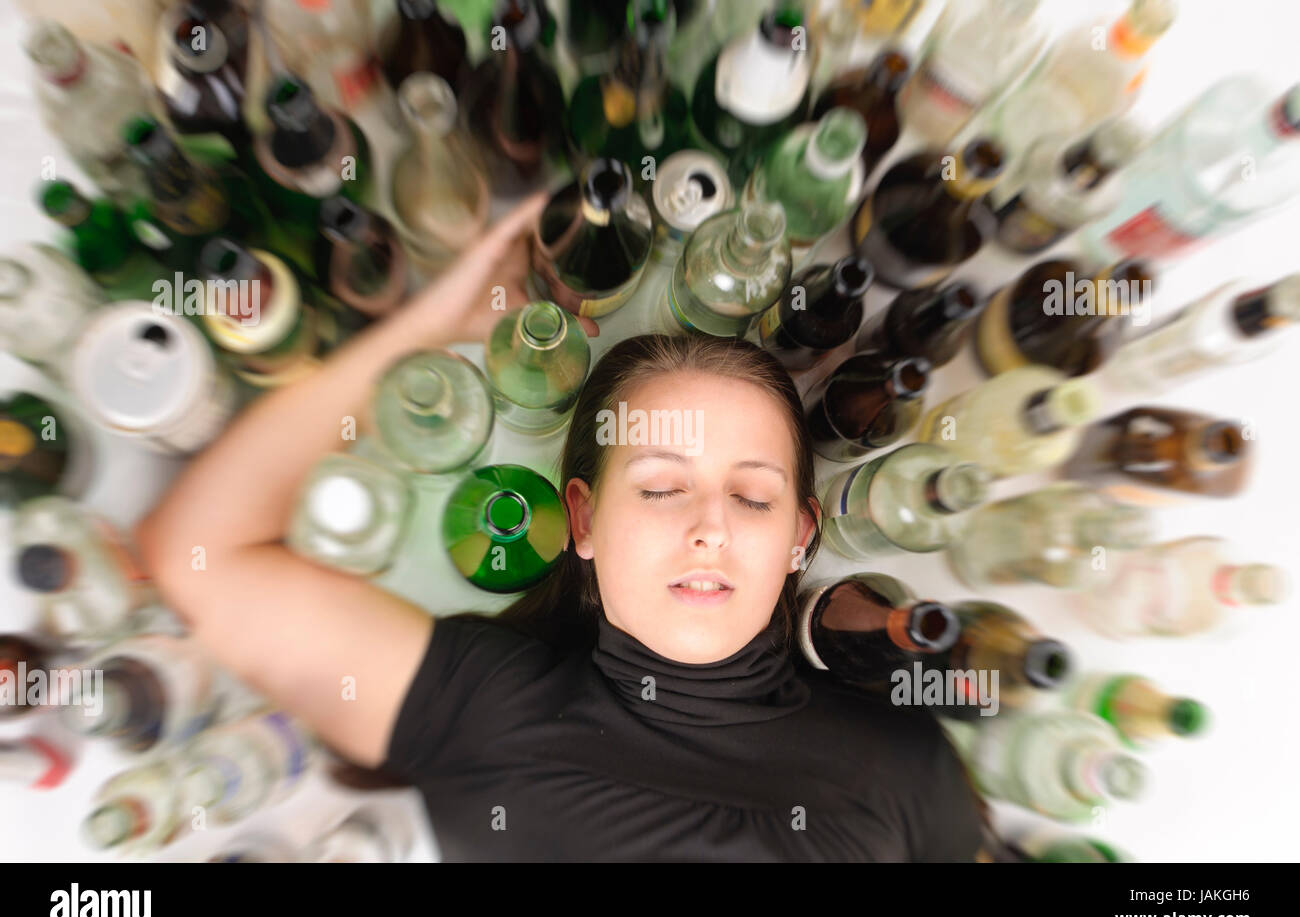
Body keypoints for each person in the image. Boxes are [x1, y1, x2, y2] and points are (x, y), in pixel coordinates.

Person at [136, 194, 992, 862]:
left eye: (753, 498)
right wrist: (432, 329)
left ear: (802, 535)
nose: (709, 529)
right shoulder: (485, 705)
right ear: (582, 519)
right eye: (661, 489)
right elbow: (197, 553)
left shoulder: (905, 763)